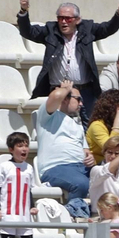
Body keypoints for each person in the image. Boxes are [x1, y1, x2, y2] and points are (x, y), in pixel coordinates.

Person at [17, 0, 119, 111]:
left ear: (77, 20)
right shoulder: (51, 30)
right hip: (59, 90)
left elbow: (107, 29)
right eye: (60, 18)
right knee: (59, 126)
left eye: (68, 19)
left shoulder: (87, 29)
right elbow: (28, 32)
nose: (63, 22)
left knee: (88, 126)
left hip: (85, 91)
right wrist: (23, 11)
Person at [36, 79, 93, 216]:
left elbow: (86, 152)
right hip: (56, 167)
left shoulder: (78, 125)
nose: (81, 103)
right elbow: (55, 97)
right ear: (65, 99)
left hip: (80, 167)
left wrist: (90, 157)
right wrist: (66, 89)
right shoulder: (48, 116)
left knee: (107, 175)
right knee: (81, 183)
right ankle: (74, 218)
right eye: (78, 99)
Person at [0, 130, 39, 238]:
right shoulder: (4, 166)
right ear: (11, 149)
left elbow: (28, 190)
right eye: (20, 146)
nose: (24, 149)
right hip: (8, 215)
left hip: (24, 216)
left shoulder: (29, 168)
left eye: (26, 145)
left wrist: (32, 206)